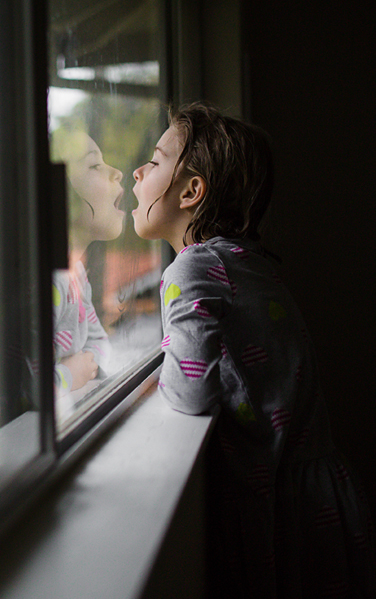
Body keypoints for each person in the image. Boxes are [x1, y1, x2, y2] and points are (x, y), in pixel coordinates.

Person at [132, 102, 376, 597]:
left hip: (278, 511)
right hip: (322, 495)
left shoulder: (190, 270)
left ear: (191, 191)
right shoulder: (247, 262)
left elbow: (191, 392)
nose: (138, 171)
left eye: (155, 161)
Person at [50, 130, 126, 416]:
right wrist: (68, 375)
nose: (117, 173)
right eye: (95, 165)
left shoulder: (76, 274)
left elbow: (98, 341)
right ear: (61, 193)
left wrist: (87, 363)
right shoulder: (51, 283)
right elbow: (27, 386)